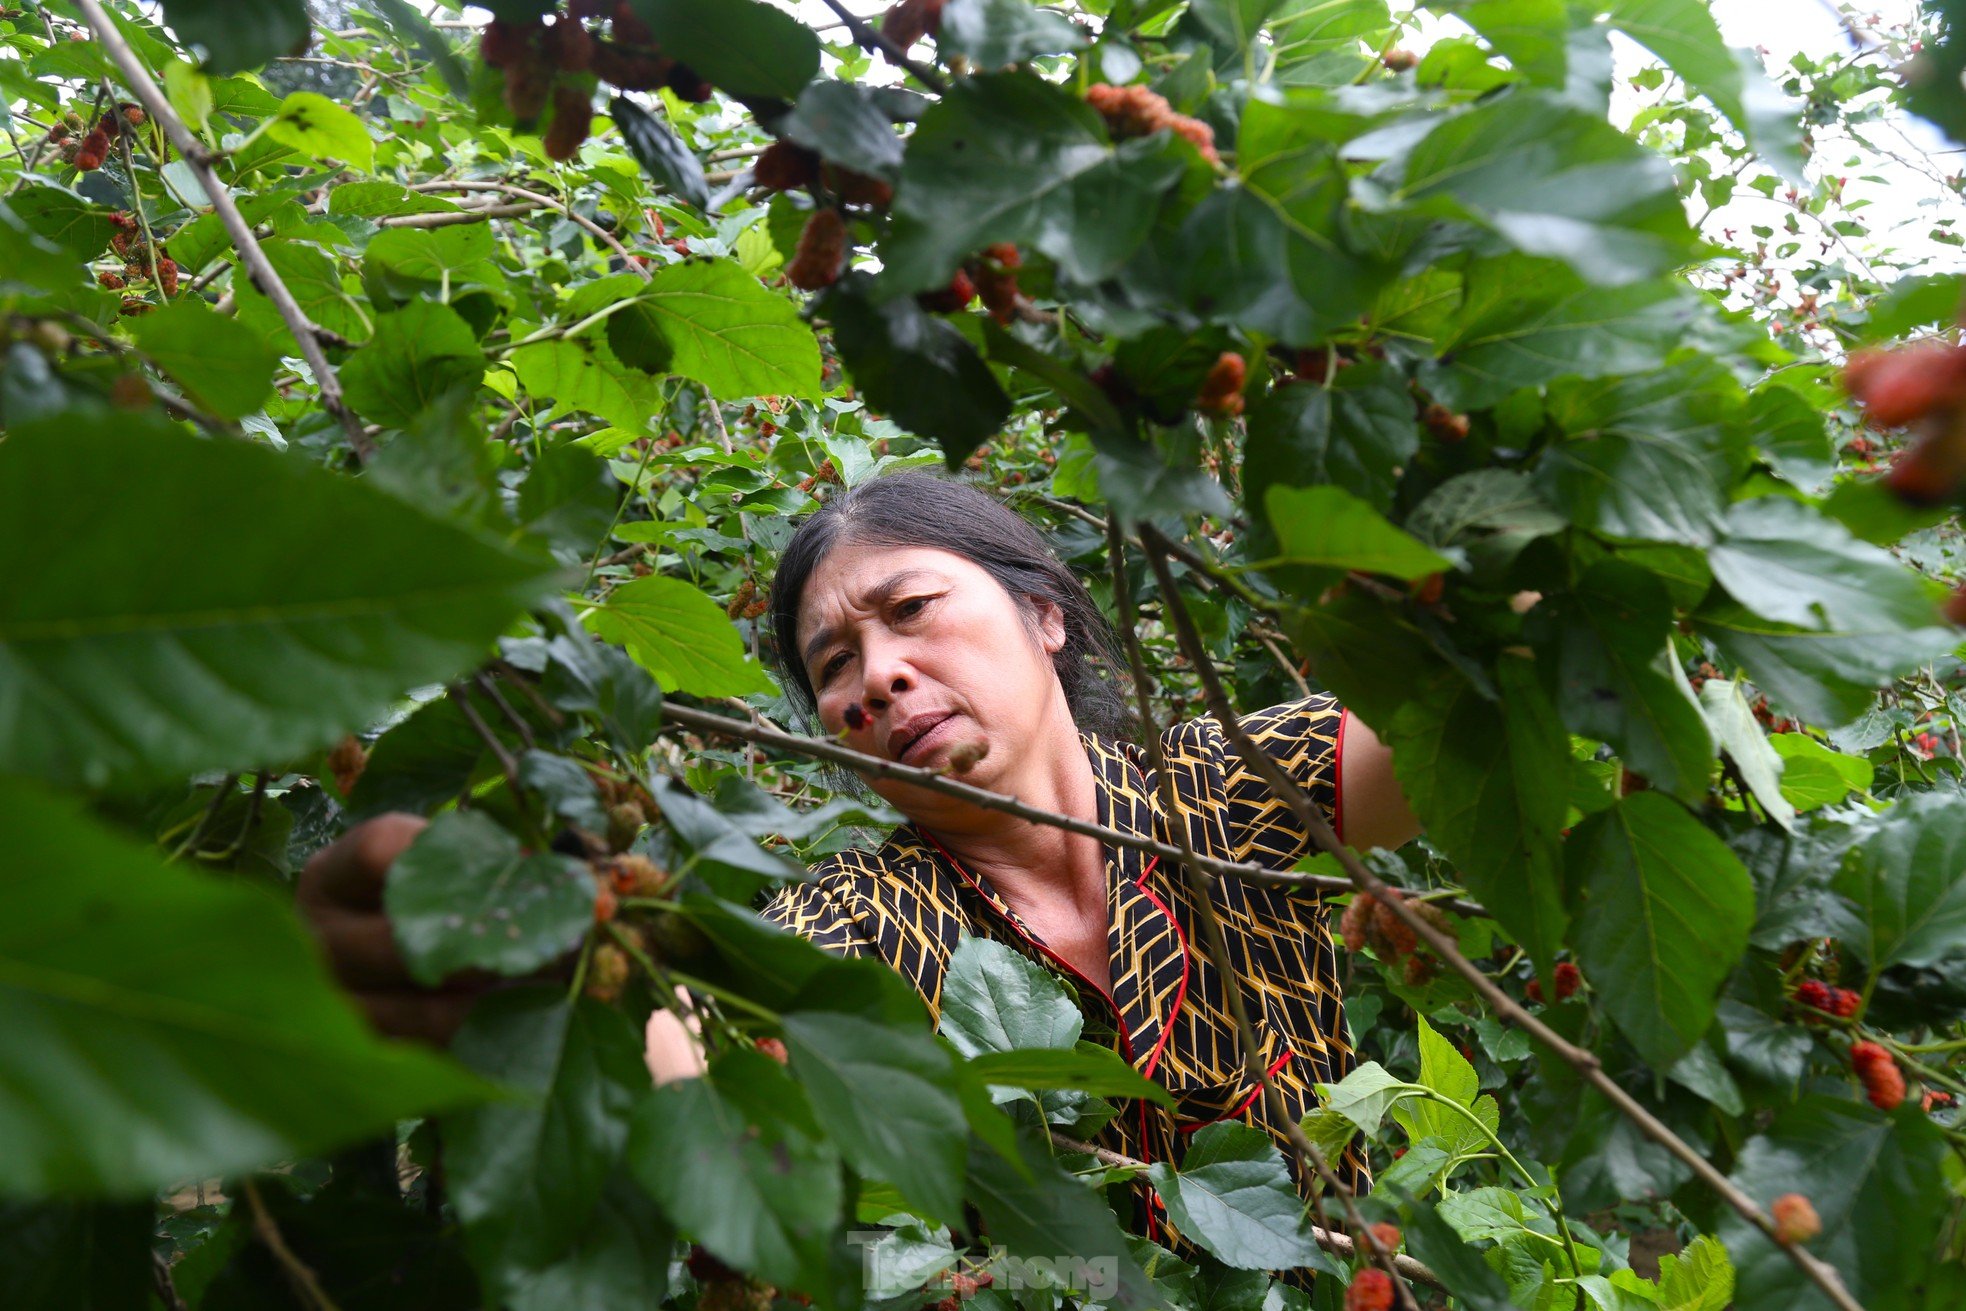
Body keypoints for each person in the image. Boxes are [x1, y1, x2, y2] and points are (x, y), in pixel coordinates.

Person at [299, 470, 1420, 1245]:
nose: (876, 676)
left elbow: (1455, 718)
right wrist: (542, 979)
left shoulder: (1221, 787)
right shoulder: (852, 929)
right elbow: (691, 1050)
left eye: (912, 610)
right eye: (835, 662)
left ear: (1045, 617)